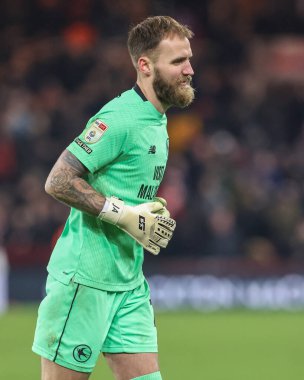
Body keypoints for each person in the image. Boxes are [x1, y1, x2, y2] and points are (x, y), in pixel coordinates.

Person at [32, 15, 195, 380]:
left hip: (128, 282)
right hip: (84, 281)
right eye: (178, 62)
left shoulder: (156, 119)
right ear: (145, 66)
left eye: (188, 59)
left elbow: (124, 191)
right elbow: (57, 180)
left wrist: (144, 210)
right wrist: (122, 214)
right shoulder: (120, 118)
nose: (189, 70)